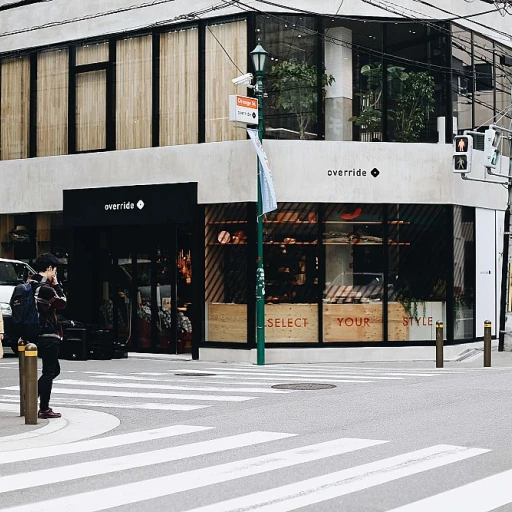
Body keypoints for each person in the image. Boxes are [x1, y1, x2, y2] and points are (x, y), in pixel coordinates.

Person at [30, 253, 67, 419]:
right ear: (50, 268)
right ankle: (43, 408)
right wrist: (57, 284)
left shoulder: (29, 283)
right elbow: (63, 302)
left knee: (53, 370)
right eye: (55, 270)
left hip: (36, 333)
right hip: (48, 333)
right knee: (49, 371)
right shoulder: (44, 288)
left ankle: (30, 397)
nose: (55, 274)